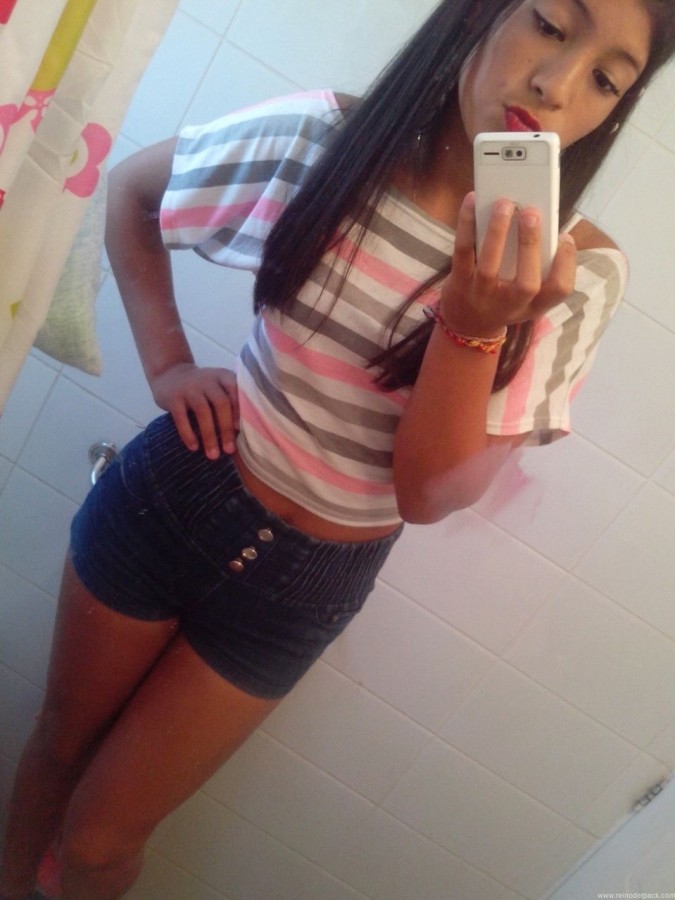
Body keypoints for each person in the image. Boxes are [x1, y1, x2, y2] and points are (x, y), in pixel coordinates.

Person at [2, 0, 674, 896]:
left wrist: (474, 324)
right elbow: (132, 191)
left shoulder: (576, 274)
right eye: (550, 24)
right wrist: (168, 366)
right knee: (58, 747)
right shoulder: (324, 139)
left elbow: (428, 494)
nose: (556, 86)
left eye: (605, 79)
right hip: (173, 496)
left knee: (99, 841)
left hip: (303, 586)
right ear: (480, 12)